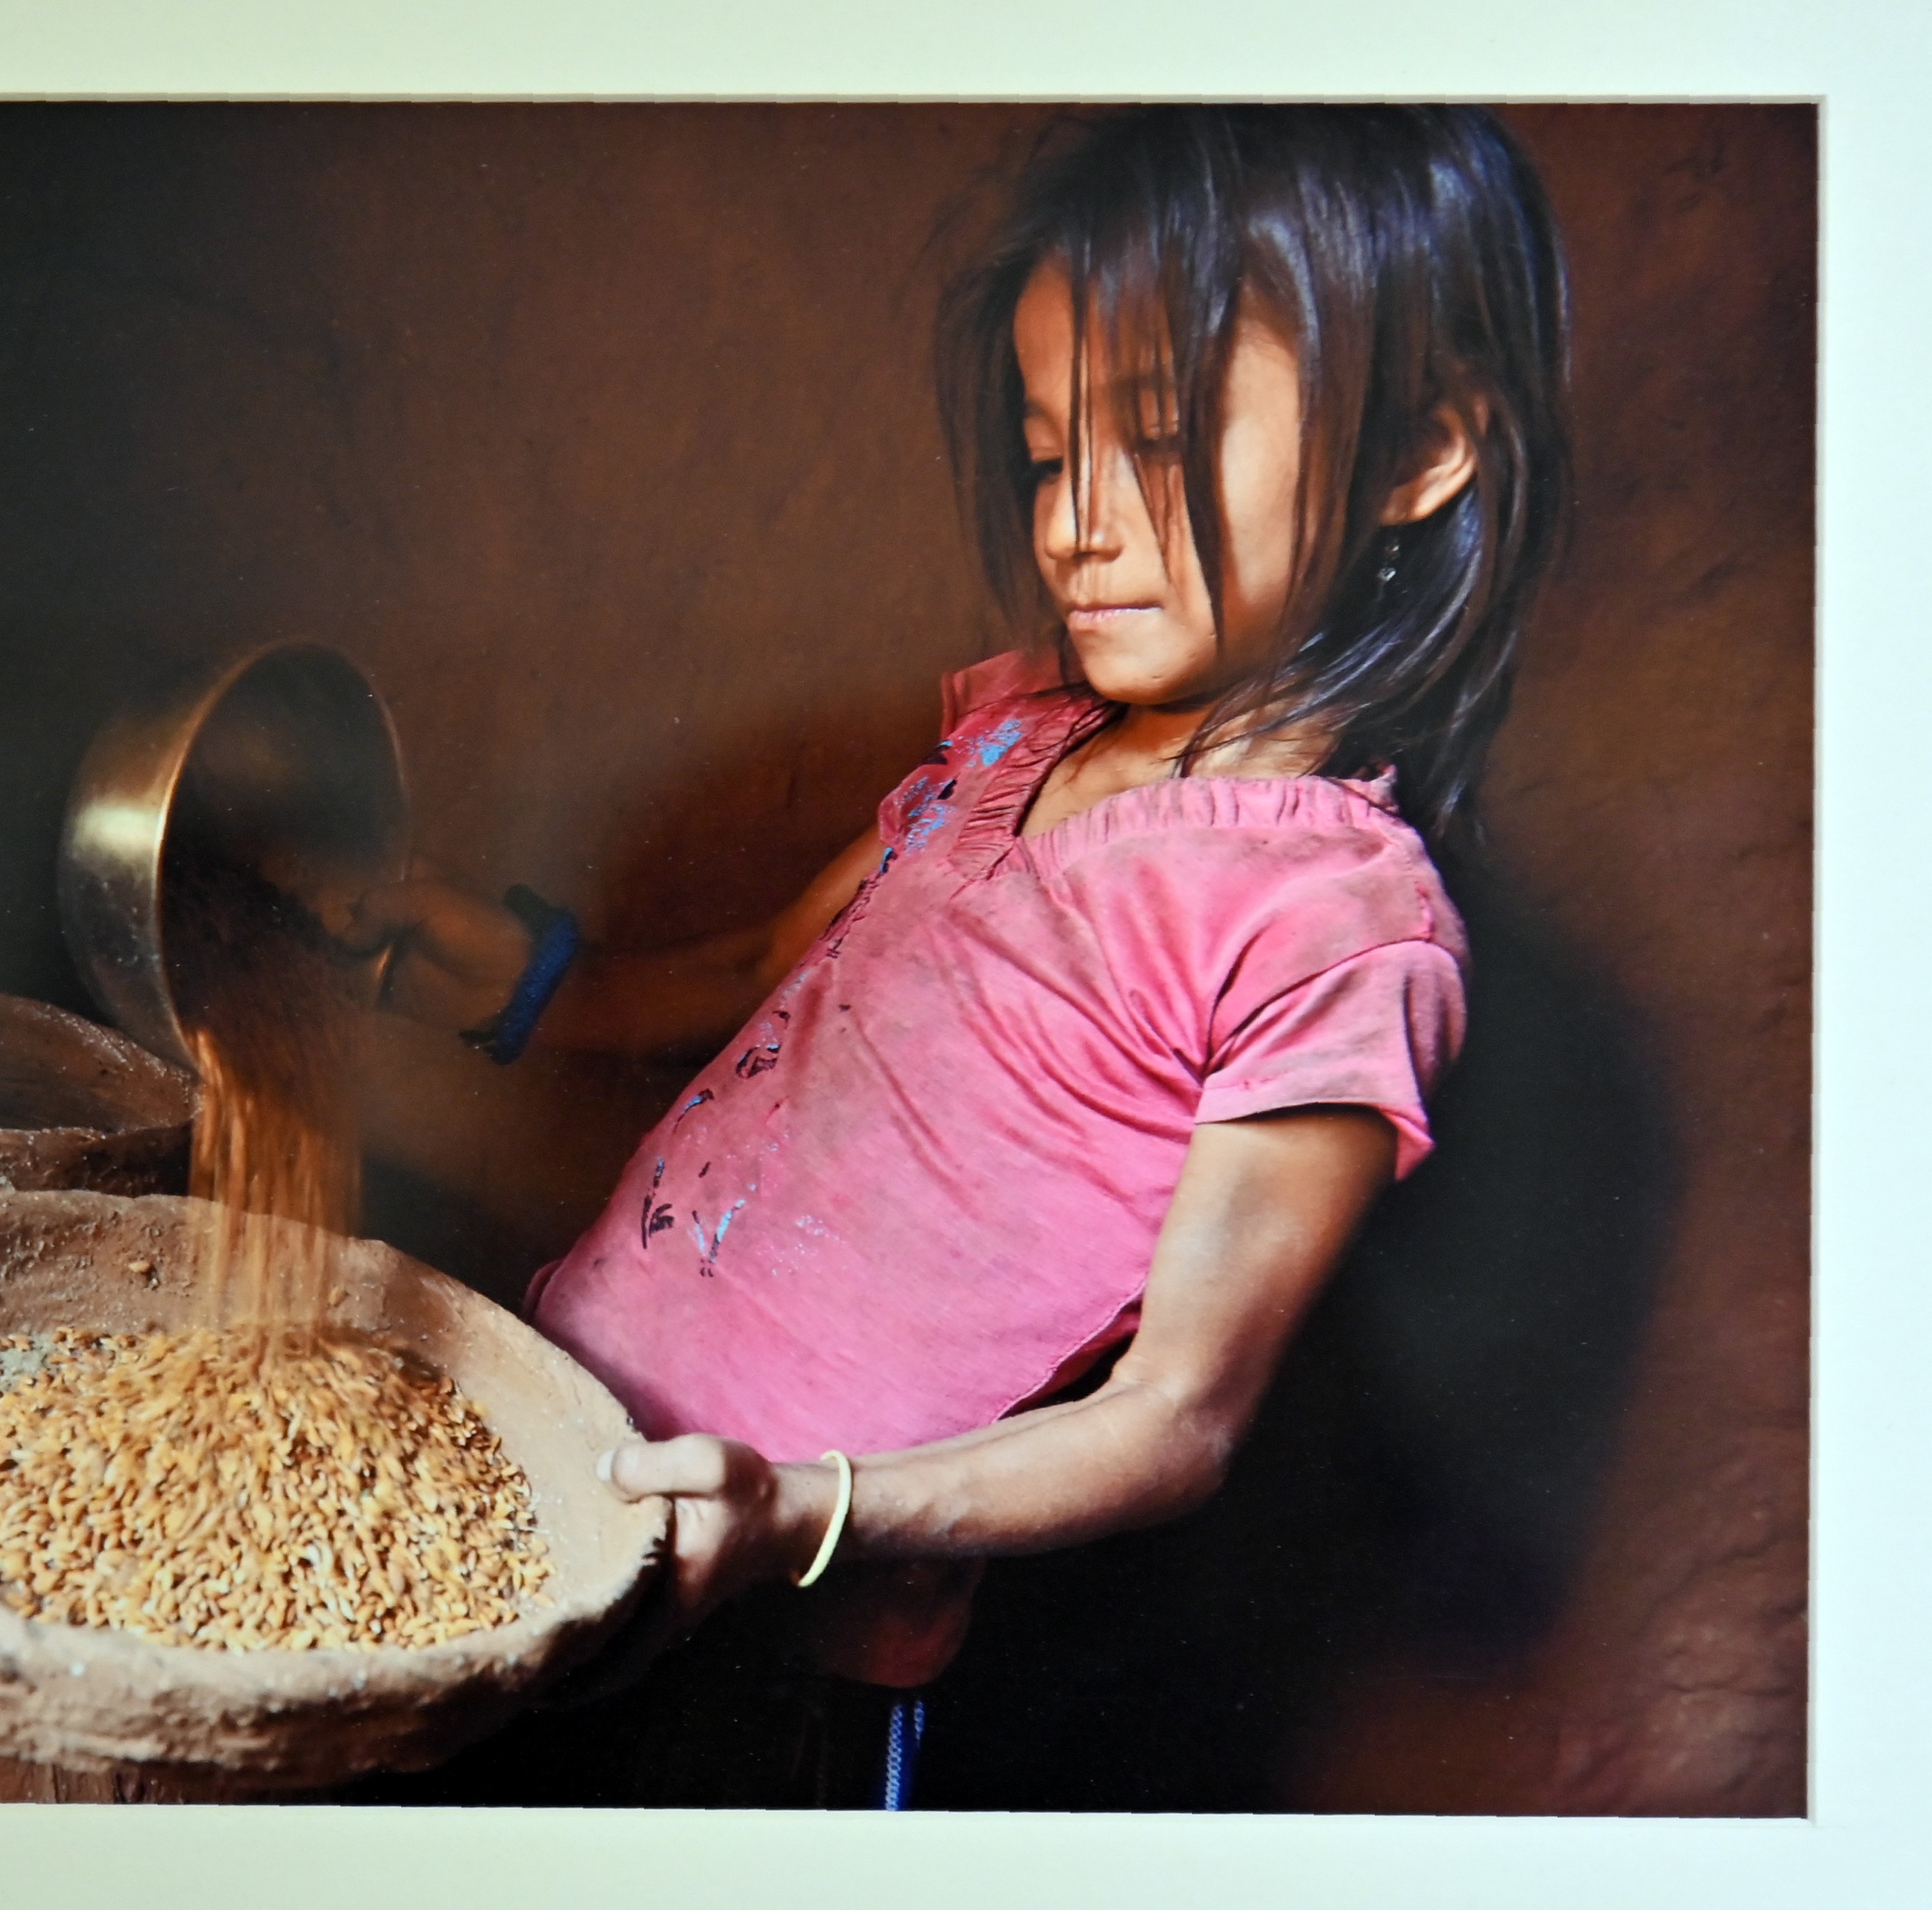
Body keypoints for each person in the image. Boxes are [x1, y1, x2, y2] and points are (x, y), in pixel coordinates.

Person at [345, 105, 1572, 1807]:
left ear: (1420, 453)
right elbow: (781, 968)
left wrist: (803, 1515)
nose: (1075, 521)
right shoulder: (1019, 738)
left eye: (1153, 440)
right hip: (552, 1455)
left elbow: (1174, 1421)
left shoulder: (1327, 927)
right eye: (1049, 447)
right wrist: (535, 986)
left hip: (780, 1650)